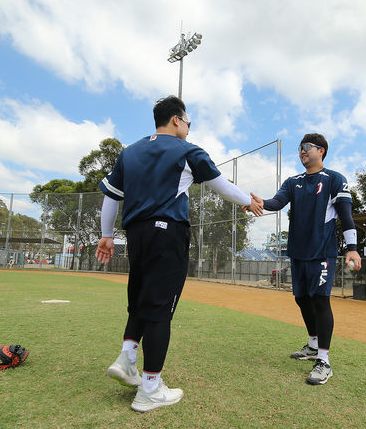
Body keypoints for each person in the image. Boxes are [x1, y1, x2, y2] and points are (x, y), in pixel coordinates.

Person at [96, 95, 263, 412]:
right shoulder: (188, 150)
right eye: (188, 120)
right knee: (160, 310)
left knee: (143, 299)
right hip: (167, 232)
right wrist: (247, 201)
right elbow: (221, 186)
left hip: (136, 235)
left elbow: (111, 198)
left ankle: (127, 359)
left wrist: (106, 236)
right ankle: (149, 390)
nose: (188, 126)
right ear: (176, 119)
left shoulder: (128, 153)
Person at [249, 133, 361, 385]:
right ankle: (312, 345)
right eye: (299, 148)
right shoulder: (293, 182)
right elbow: (277, 202)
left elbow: (346, 215)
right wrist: (261, 202)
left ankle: (324, 361)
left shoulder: (334, 179)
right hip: (298, 253)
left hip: (322, 252)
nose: (301, 151)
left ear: (321, 151)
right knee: (301, 299)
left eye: (306, 147)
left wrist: (352, 248)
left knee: (320, 300)